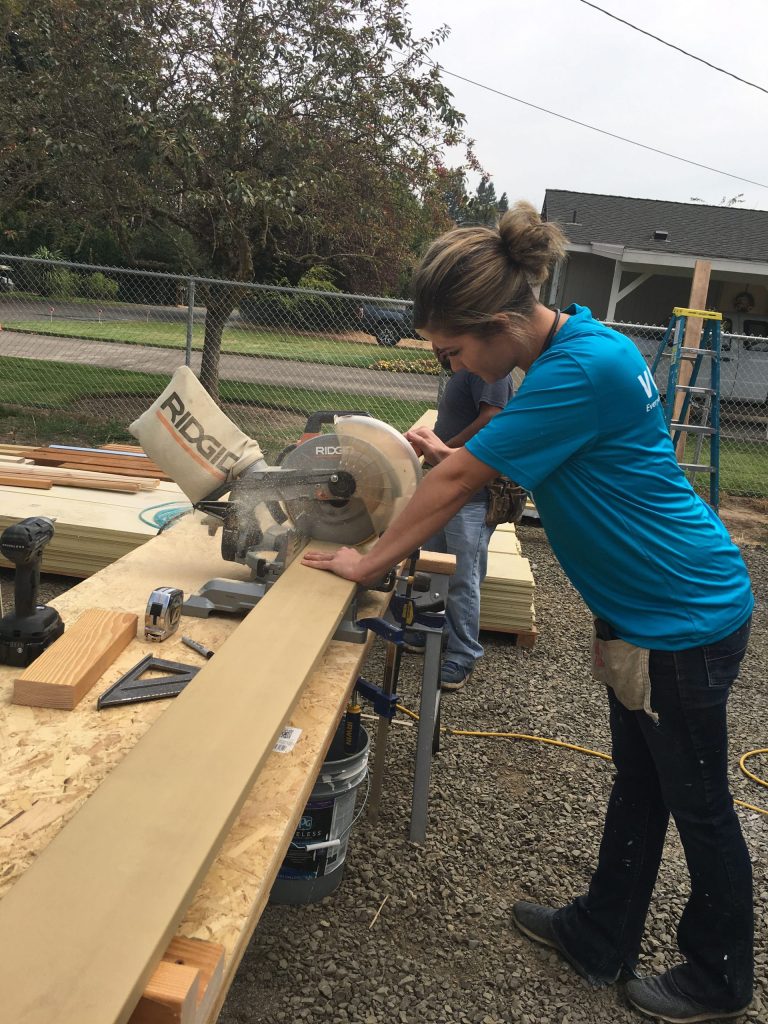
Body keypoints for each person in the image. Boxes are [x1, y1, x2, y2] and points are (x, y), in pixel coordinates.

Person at [302, 201, 755, 1024]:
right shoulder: (579, 350)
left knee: (698, 803)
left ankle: (720, 977)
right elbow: (537, 466)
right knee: (640, 784)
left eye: (454, 351)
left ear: (503, 324)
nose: (453, 366)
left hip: (682, 618)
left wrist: (364, 562)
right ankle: (600, 934)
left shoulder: (576, 370)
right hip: (646, 612)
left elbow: (456, 485)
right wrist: (458, 453)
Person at [404, 359, 513, 691]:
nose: (437, 349)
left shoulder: (489, 369)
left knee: (463, 578)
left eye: (442, 342)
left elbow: (492, 417)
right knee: (433, 563)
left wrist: (446, 450)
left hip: (471, 495)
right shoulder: (466, 369)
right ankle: (429, 630)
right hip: (447, 488)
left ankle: (463, 654)